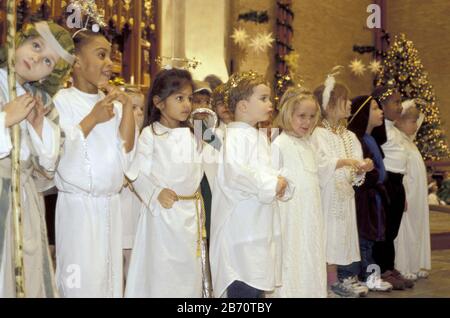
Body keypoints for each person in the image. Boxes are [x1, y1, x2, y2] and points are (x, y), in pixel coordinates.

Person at [53, 30, 136, 298]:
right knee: (79, 283)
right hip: (78, 210)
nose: (110, 63)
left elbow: (125, 154)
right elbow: (57, 152)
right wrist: (92, 119)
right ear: (76, 62)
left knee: (109, 284)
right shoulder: (60, 102)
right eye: (101, 55)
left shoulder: (110, 103)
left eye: (110, 55)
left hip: (110, 206)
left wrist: (126, 112)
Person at [0, 21, 74, 298]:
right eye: (35, 46)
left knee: (27, 274)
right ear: (19, 41)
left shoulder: (41, 101)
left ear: (49, 74)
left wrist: (39, 126)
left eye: (47, 60)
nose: (35, 58)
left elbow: (48, 167)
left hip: (26, 198)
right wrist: (6, 117)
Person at [209, 71, 293, 298]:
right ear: (243, 106)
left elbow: (272, 171)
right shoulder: (234, 138)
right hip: (241, 230)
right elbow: (237, 175)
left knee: (255, 286)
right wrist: (272, 184)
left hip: (257, 228)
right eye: (263, 98)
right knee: (243, 285)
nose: (270, 103)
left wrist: (283, 183)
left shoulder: (258, 136)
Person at [124, 68, 207, 297]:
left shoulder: (198, 131)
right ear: (159, 103)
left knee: (188, 274)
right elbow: (136, 172)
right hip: (161, 216)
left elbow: (227, 152)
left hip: (189, 215)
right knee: (162, 273)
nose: (187, 105)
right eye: (179, 98)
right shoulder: (150, 135)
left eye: (189, 98)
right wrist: (156, 192)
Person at [311, 75, 373, 297]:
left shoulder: (349, 135)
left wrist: (361, 168)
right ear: (328, 106)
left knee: (340, 237)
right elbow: (319, 164)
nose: (349, 104)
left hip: (344, 195)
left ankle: (336, 279)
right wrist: (345, 163)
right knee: (328, 236)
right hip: (327, 194)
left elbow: (355, 166)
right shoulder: (318, 134)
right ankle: (327, 281)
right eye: (344, 100)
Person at [269, 87, 327, 297]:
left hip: (310, 217)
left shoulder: (309, 144)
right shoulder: (280, 144)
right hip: (290, 220)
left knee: (309, 257)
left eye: (312, 117)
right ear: (287, 114)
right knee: (292, 260)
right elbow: (273, 183)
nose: (307, 122)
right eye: (301, 116)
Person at [347, 95, 393, 292]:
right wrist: (372, 174)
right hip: (364, 199)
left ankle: (372, 274)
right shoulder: (357, 140)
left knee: (370, 241)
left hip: (374, 197)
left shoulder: (370, 139)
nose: (380, 112)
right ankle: (367, 276)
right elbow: (365, 171)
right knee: (364, 241)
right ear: (363, 113)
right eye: (375, 108)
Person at [371, 86, 415, 290]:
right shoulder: (380, 132)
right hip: (386, 181)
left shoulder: (394, 130)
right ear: (382, 104)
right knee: (385, 229)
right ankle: (382, 268)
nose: (399, 106)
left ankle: (390, 265)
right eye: (395, 102)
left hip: (397, 182)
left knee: (393, 229)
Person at [394, 99, 431, 281]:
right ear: (399, 122)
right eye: (412, 121)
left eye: (417, 121)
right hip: (407, 195)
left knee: (417, 228)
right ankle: (403, 265)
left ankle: (416, 263)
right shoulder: (398, 142)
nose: (416, 125)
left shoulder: (410, 142)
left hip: (418, 196)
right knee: (405, 229)